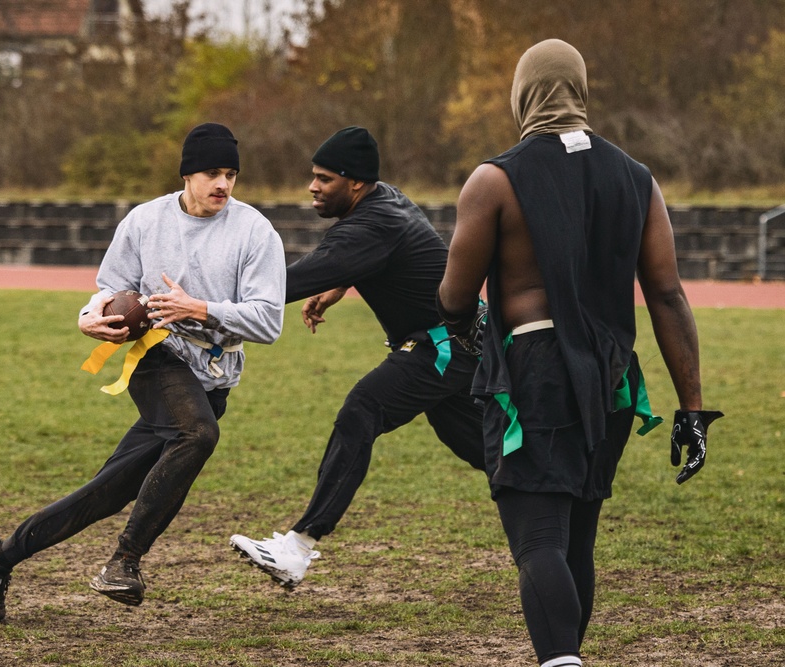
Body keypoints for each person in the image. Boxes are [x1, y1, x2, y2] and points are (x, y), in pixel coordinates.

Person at [437, 39, 722, 667]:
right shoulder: (638, 179)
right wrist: (693, 410)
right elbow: (669, 296)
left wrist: (458, 317)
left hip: (537, 372)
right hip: (613, 380)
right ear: (580, 90)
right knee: (576, 540)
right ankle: (564, 655)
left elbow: (455, 297)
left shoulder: (495, 179)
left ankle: (561, 660)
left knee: (538, 537)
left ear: (523, 93)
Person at [0, 122, 286, 622]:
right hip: (155, 356)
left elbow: (269, 320)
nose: (222, 184)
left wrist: (199, 308)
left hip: (214, 374)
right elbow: (109, 288)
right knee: (199, 434)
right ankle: (125, 562)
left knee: (107, 493)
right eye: (211, 173)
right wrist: (88, 316)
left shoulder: (254, 232)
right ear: (186, 174)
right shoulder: (145, 221)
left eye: (230, 174)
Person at [229, 126, 486, 588]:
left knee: (363, 408)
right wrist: (338, 287)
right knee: (477, 444)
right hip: (457, 343)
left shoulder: (373, 223)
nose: (312, 186)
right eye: (314, 176)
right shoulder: (383, 199)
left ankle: (299, 546)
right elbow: (379, 256)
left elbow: (290, 281)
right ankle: (556, 499)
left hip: (441, 346)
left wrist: (209, 306)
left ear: (356, 184)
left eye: (324, 179)